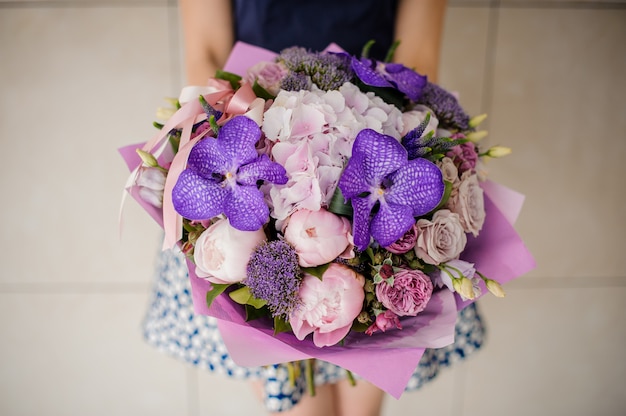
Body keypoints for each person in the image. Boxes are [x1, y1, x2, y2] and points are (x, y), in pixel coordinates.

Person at [142, 1, 484, 415]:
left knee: (362, 409)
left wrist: (383, 139)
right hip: (250, 164)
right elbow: (207, 53)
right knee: (298, 406)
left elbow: (419, 52)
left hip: (380, 137)